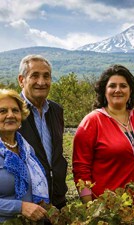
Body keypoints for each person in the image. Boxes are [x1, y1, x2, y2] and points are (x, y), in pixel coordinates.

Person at [72, 64, 134, 203]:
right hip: (110, 209)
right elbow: (81, 169)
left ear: (130, 90)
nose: (118, 90)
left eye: (123, 86)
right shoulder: (92, 122)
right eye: (112, 86)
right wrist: (88, 207)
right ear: (104, 91)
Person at [17, 55, 68, 213]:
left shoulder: (56, 110)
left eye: (46, 76)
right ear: (21, 80)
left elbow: (56, 154)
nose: (41, 82)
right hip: (26, 206)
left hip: (56, 201)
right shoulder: (11, 113)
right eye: (35, 75)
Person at [0, 89, 49, 223]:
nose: (10, 115)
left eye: (15, 110)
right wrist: (20, 207)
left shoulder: (26, 149)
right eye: (2, 111)